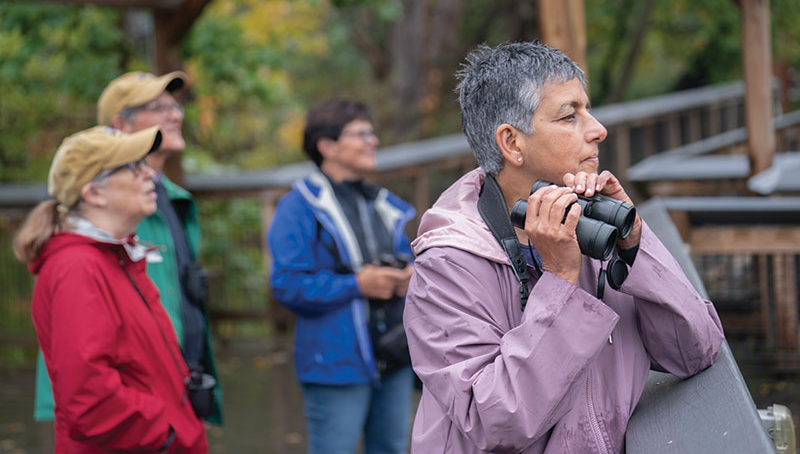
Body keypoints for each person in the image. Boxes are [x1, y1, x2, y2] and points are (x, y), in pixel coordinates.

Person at [402, 41, 725, 454]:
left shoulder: (589, 223)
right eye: (570, 116)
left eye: (588, 110)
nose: (597, 129)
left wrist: (634, 246)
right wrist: (559, 280)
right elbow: (495, 424)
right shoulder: (448, 265)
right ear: (512, 143)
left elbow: (695, 351)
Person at [32, 71, 223, 424]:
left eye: (175, 105)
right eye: (158, 107)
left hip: (174, 393)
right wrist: (166, 430)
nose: (175, 114)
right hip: (137, 417)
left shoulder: (172, 200)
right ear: (120, 123)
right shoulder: (94, 234)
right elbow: (86, 381)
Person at [13, 126, 208, 452]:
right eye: (133, 167)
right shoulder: (78, 268)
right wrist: (168, 432)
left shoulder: (116, 257)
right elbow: (89, 400)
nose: (149, 173)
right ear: (94, 193)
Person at [267, 99, 416, 454]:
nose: (373, 140)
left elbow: (406, 257)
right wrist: (356, 285)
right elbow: (286, 285)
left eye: (372, 132)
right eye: (361, 133)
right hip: (335, 365)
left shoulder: (382, 203)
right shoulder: (298, 206)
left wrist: (411, 275)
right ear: (327, 146)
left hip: (395, 358)